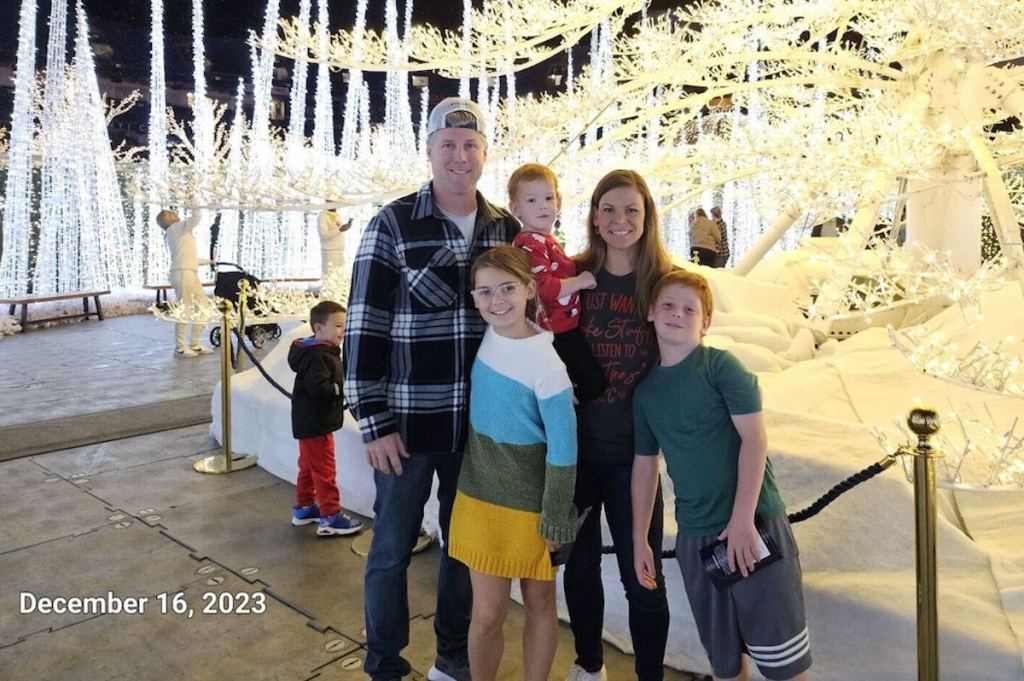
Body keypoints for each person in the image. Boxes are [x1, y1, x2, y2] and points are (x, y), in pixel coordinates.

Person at [343, 97, 520, 681]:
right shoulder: (392, 223)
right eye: (448, 144)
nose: (459, 156)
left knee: (462, 554)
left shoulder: (506, 229)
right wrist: (374, 420)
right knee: (390, 552)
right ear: (429, 150)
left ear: (485, 154)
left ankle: (451, 662)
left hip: (479, 430)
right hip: (407, 429)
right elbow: (364, 325)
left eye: (471, 145)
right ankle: (385, 666)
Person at [632, 270, 811, 681]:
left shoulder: (720, 367)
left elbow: (755, 440)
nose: (677, 314)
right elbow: (646, 467)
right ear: (650, 313)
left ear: (706, 321)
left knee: (784, 666)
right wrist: (640, 538)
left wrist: (743, 520)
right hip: (696, 537)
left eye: (689, 309)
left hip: (754, 527)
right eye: (668, 306)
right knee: (725, 663)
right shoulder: (646, 393)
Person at [448, 246, 578, 681]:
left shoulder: (546, 362)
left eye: (507, 288)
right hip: (480, 499)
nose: (496, 300)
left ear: (528, 289)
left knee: (541, 603)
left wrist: (557, 516)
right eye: (484, 291)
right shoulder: (487, 335)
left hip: (531, 509)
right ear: (473, 298)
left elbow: (564, 447)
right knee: (486, 614)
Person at [564, 169, 672, 681]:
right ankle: (590, 664)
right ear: (593, 216)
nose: (619, 220)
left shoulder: (662, 284)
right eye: (608, 209)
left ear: (647, 217)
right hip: (577, 453)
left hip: (637, 459)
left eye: (631, 210)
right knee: (580, 570)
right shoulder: (573, 276)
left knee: (642, 574)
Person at [509, 163, 607, 404]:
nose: (542, 205)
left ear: (558, 202)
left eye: (548, 197)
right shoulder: (529, 243)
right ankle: (560, 401)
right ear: (515, 209)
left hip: (564, 326)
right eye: (531, 200)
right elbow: (544, 288)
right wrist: (580, 281)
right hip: (554, 331)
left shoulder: (545, 239)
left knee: (590, 381)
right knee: (592, 383)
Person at [288, 300, 365, 536]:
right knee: (324, 469)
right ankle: (330, 516)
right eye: (338, 326)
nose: (343, 331)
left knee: (308, 466)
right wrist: (342, 390)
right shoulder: (319, 356)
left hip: (308, 421)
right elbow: (319, 388)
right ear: (319, 328)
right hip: (316, 423)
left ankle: (304, 507)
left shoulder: (314, 351)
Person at [157, 208, 213, 357]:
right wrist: (192, 200)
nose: (176, 213)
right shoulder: (176, 227)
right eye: (171, 213)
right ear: (168, 219)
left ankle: (195, 344)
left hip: (188, 271)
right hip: (183, 273)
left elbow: (187, 256)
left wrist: (209, 262)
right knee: (185, 308)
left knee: (203, 307)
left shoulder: (177, 231)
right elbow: (197, 216)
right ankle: (180, 347)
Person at [318, 209, 353, 278]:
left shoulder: (337, 215)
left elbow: (339, 229)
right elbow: (323, 235)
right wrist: (339, 230)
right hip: (330, 252)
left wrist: (345, 227)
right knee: (330, 279)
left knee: (339, 279)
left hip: (340, 251)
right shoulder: (323, 216)